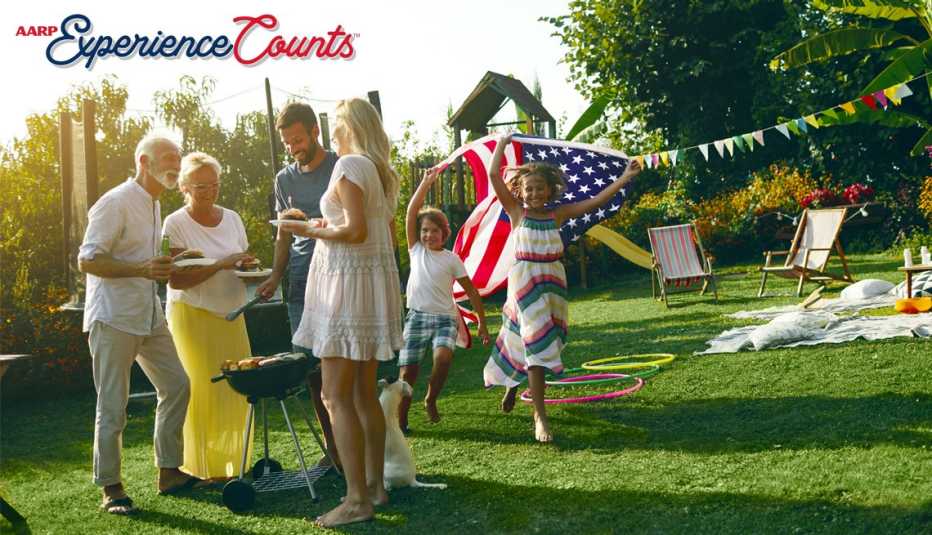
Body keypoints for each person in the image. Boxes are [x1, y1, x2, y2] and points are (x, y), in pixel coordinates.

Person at [280, 97, 403, 527]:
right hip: (365, 286)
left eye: (336, 125)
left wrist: (305, 228)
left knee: (334, 394)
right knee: (362, 393)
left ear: (349, 126)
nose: (331, 133)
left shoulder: (350, 165)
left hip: (346, 289)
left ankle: (356, 500)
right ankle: (375, 487)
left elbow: (353, 230)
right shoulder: (378, 169)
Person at [482, 132, 642, 443]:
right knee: (535, 342)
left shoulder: (557, 215)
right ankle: (540, 416)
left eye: (540, 188)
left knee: (531, 340)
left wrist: (624, 178)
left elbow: (595, 201)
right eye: (529, 188)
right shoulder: (518, 213)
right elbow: (492, 174)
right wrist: (501, 142)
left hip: (552, 283)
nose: (534, 193)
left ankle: (512, 386)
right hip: (525, 282)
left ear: (550, 190)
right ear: (521, 191)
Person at [77, 134, 194, 515]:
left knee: (177, 384)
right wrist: (142, 269)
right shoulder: (114, 202)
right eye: (167, 158)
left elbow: (147, 259)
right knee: (112, 404)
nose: (175, 164)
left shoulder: (155, 201)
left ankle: (169, 472)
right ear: (144, 162)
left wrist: (175, 259)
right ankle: (111, 488)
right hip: (113, 316)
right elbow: (88, 260)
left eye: (177, 157)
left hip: (148, 312)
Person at [256, 101, 341, 468]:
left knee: (341, 362)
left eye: (298, 140)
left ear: (314, 132)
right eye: (288, 143)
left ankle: (360, 444)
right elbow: (283, 236)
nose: (293, 148)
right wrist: (275, 274)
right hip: (300, 280)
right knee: (311, 370)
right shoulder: (283, 180)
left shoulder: (341, 166)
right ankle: (333, 449)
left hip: (340, 274)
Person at [162, 152, 255, 483]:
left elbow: (238, 260)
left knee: (238, 387)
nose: (209, 191)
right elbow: (176, 279)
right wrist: (220, 264)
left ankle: (235, 463)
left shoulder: (231, 218)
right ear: (185, 186)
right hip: (193, 316)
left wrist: (245, 266)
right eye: (201, 186)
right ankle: (199, 467)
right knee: (201, 391)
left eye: (214, 184)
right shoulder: (175, 223)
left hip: (232, 313)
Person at [398, 168, 490, 433]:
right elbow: (410, 212)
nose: (429, 235)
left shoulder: (451, 259)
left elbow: (472, 292)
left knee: (444, 358)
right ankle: (401, 421)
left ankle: (430, 399)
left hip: (445, 318)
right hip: (416, 316)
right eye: (425, 230)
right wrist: (426, 183)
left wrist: (481, 323)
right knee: (407, 374)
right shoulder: (416, 250)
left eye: (435, 231)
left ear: (444, 233)